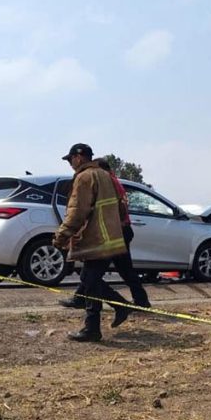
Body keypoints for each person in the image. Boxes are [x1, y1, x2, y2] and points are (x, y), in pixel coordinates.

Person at [53, 143, 134, 342]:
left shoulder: (84, 177)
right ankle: (116, 309)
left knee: (90, 282)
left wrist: (62, 235)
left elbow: (77, 211)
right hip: (110, 237)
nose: (70, 164)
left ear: (79, 157)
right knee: (90, 280)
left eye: (70, 159)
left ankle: (95, 327)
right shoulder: (106, 175)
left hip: (95, 239)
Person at [59, 158, 150, 311]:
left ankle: (130, 304)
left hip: (115, 232)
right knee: (97, 271)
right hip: (116, 231)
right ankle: (82, 299)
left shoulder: (107, 182)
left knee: (96, 272)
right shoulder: (111, 181)